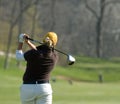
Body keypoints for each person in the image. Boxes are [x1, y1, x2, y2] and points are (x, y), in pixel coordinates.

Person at [16, 32, 58, 104]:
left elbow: (19, 56)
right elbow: (39, 52)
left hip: (27, 88)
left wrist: (21, 41)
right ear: (54, 44)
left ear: (43, 40)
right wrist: (28, 42)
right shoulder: (55, 57)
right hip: (44, 89)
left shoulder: (33, 53)